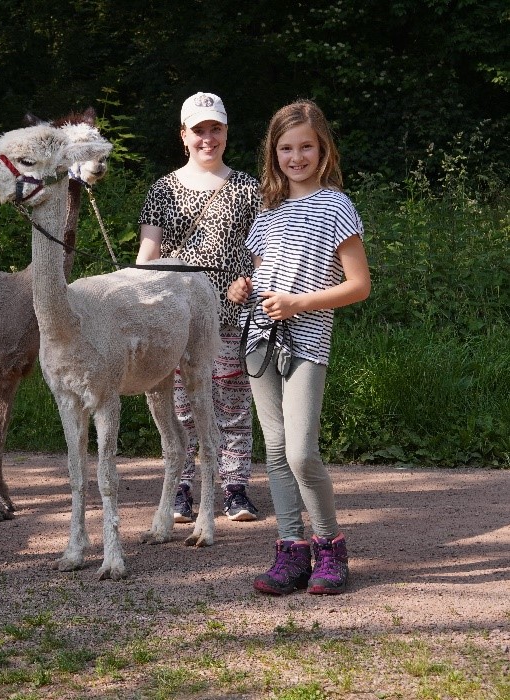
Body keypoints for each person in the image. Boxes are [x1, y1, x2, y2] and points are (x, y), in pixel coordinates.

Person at [227, 100, 371, 595]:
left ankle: (330, 546)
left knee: (302, 452)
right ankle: (291, 550)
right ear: (274, 152)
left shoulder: (337, 205)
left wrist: (298, 303)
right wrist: (240, 287)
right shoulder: (267, 210)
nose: (296, 156)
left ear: (322, 148)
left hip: (306, 342)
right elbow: (256, 270)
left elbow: (359, 286)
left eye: (305, 146)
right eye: (286, 148)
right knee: (275, 450)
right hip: (259, 341)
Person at [136, 91, 261, 524]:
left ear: (226, 132)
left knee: (233, 402)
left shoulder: (249, 188)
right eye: (199, 130)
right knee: (182, 407)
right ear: (184, 135)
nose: (208, 138)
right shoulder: (162, 190)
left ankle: (235, 488)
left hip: (231, 316)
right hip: (179, 321)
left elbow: (261, 254)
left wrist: (250, 283)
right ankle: (181, 488)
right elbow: (147, 255)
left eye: (216, 129)